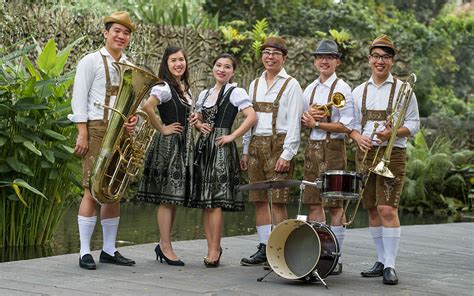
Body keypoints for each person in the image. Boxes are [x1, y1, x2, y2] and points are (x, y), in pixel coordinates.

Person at [69, 11, 138, 270]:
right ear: (105, 33)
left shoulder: (130, 66)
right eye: (117, 31)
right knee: (91, 188)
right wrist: (83, 132)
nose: (121, 36)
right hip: (97, 129)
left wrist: (133, 120)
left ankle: (109, 249)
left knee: (114, 191)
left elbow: (132, 101)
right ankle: (84, 251)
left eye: (126, 33)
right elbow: (79, 98)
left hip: (120, 130)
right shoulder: (90, 61)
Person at [350, 35, 420, 285]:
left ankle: (390, 265)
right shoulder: (359, 91)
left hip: (393, 154)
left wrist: (393, 132)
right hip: (366, 154)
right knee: (372, 208)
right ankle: (381, 259)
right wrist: (358, 137)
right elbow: (351, 125)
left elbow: (414, 124)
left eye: (386, 57)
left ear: (392, 61)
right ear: (369, 59)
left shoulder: (404, 89)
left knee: (387, 208)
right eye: (377, 56)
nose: (381, 61)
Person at [240, 37, 304, 266]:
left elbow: (296, 122)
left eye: (275, 53)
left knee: (278, 201)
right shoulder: (254, 84)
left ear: (284, 58)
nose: (270, 56)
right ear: (261, 56)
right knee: (258, 200)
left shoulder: (292, 84)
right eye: (266, 52)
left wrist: (287, 154)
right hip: (256, 145)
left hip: (279, 146)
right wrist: (245, 150)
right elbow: (250, 120)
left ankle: (280, 249)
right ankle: (263, 246)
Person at [189, 53, 257, 268]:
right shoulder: (205, 94)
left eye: (227, 67)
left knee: (216, 201)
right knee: (205, 201)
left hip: (220, 147)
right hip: (203, 147)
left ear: (233, 71)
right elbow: (197, 119)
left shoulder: (236, 92)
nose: (222, 69)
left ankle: (215, 248)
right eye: (218, 65)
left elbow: (252, 116)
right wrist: (198, 125)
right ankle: (211, 247)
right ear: (213, 68)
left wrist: (232, 136)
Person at [300, 39, 354, 275]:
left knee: (335, 205)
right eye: (320, 57)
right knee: (314, 202)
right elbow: (303, 123)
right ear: (314, 61)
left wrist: (318, 123)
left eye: (329, 57)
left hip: (333, 150)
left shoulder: (343, 88)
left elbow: (346, 126)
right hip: (312, 149)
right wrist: (307, 120)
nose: (324, 61)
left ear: (337, 62)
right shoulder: (309, 89)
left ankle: (336, 257)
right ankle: (319, 255)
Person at [136, 46, 192, 267]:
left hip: (182, 145)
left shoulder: (184, 88)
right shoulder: (164, 87)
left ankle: (164, 244)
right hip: (169, 146)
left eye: (181, 59)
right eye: (173, 61)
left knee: (174, 198)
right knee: (168, 198)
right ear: (166, 64)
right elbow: (148, 107)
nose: (178, 64)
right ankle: (166, 246)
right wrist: (162, 129)